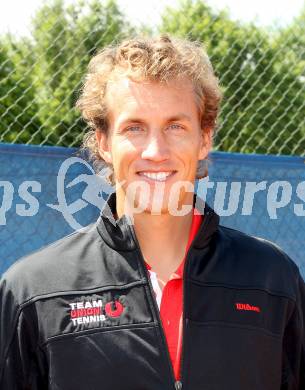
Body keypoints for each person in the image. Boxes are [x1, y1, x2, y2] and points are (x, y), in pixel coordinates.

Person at [0, 34, 304, 390]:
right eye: (134, 128)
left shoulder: (271, 279)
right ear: (103, 142)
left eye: (175, 126)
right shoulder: (33, 291)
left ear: (204, 138)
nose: (156, 150)